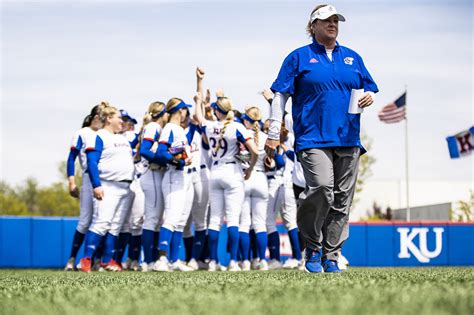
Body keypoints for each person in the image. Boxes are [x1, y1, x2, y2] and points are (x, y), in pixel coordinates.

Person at [265, 4, 378, 273]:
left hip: (348, 138)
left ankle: (332, 255)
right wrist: (272, 132)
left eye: (336, 20)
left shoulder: (353, 57)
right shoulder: (298, 57)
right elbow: (280, 95)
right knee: (321, 189)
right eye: (326, 20)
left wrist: (370, 97)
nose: (332, 24)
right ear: (312, 26)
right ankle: (312, 247)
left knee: (342, 199)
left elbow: (369, 88)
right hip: (312, 138)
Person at [194, 69, 259, 272]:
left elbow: (197, 115)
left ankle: (213, 262)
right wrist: (250, 169)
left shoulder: (210, 125)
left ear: (216, 110)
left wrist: (199, 83)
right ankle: (232, 262)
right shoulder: (236, 127)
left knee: (214, 220)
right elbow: (254, 151)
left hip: (215, 172)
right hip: (232, 172)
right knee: (233, 220)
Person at [78, 105, 135, 272]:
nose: (121, 121)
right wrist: (96, 185)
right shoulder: (98, 136)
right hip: (108, 185)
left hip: (125, 186)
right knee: (101, 223)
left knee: (115, 226)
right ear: (109, 118)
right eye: (118, 117)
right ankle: (86, 260)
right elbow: (92, 162)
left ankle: (107, 260)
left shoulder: (122, 138)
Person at [64, 102, 108, 271]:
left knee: (103, 220)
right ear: (96, 117)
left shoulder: (106, 134)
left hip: (106, 179)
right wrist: (72, 182)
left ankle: (95, 260)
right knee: (85, 221)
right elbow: (71, 158)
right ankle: (72, 259)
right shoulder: (83, 133)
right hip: (90, 179)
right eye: (103, 116)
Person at [153, 97, 193, 272]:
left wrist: (182, 159)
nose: (186, 113)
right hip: (172, 176)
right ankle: (161, 259)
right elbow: (161, 153)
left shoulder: (179, 129)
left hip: (182, 178)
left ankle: (174, 260)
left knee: (179, 221)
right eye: (185, 110)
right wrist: (181, 162)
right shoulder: (169, 128)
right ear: (180, 110)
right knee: (171, 218)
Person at [137, 102, 169, 271]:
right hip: (152, 173)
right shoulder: (153, 126)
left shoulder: (155, 127)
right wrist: (166, 159)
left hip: (155, 174)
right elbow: (144, 150)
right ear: (162, 114)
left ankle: (152, 260)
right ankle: (147, 261)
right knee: (152, 219)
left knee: (155, 221)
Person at [238, 106, 270, 271]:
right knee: (260, 224)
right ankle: (262, 260)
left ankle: (244, 262)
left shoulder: (242, 134)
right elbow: (271, 162)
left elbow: (239, 157)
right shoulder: (265, 136)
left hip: (245, 177)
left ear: (246, 119)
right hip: (261, 178)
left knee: (244, 224)